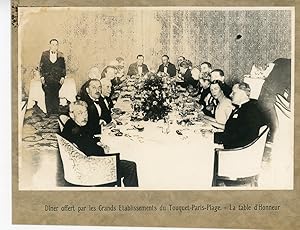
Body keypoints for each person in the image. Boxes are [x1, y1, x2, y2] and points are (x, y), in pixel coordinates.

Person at [62, 100, 139, 187]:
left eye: (85, 112)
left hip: (84, 166)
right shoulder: (74, 131)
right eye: (80, 113)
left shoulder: (72, 125)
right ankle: (133, 197)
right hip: (94, 170)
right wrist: (103, 149)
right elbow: (90, 150)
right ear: (72, 114)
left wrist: (98, 143)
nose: (85, 116)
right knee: (130, 167)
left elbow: (87, 137)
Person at [214, 82, 266, 149]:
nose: (230, 95)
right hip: (230, 143)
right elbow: (231, 131)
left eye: (233, 92)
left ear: (242, 93)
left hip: (236, 149)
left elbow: (239, 136)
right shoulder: (241, 108)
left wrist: (213, 137)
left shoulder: (251, 111)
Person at [257, 58, 291, 143]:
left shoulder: (282, 61)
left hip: (261, 98)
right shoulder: (293, 68)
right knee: (276, 129)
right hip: (269, 101)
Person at [39, 38, 66, 116]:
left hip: (57, 79)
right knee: (47, 94)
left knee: (55, 94)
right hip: (47, 78)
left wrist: (63, 77)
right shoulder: (44, 54)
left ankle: (56, 111)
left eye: (56, 45)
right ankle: (49, 112)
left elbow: (63, 67)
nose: (54, 46)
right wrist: (42, 77)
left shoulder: (61, 54)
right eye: (53, 44)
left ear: (58, 46)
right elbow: (41, 66)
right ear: (50, 45)